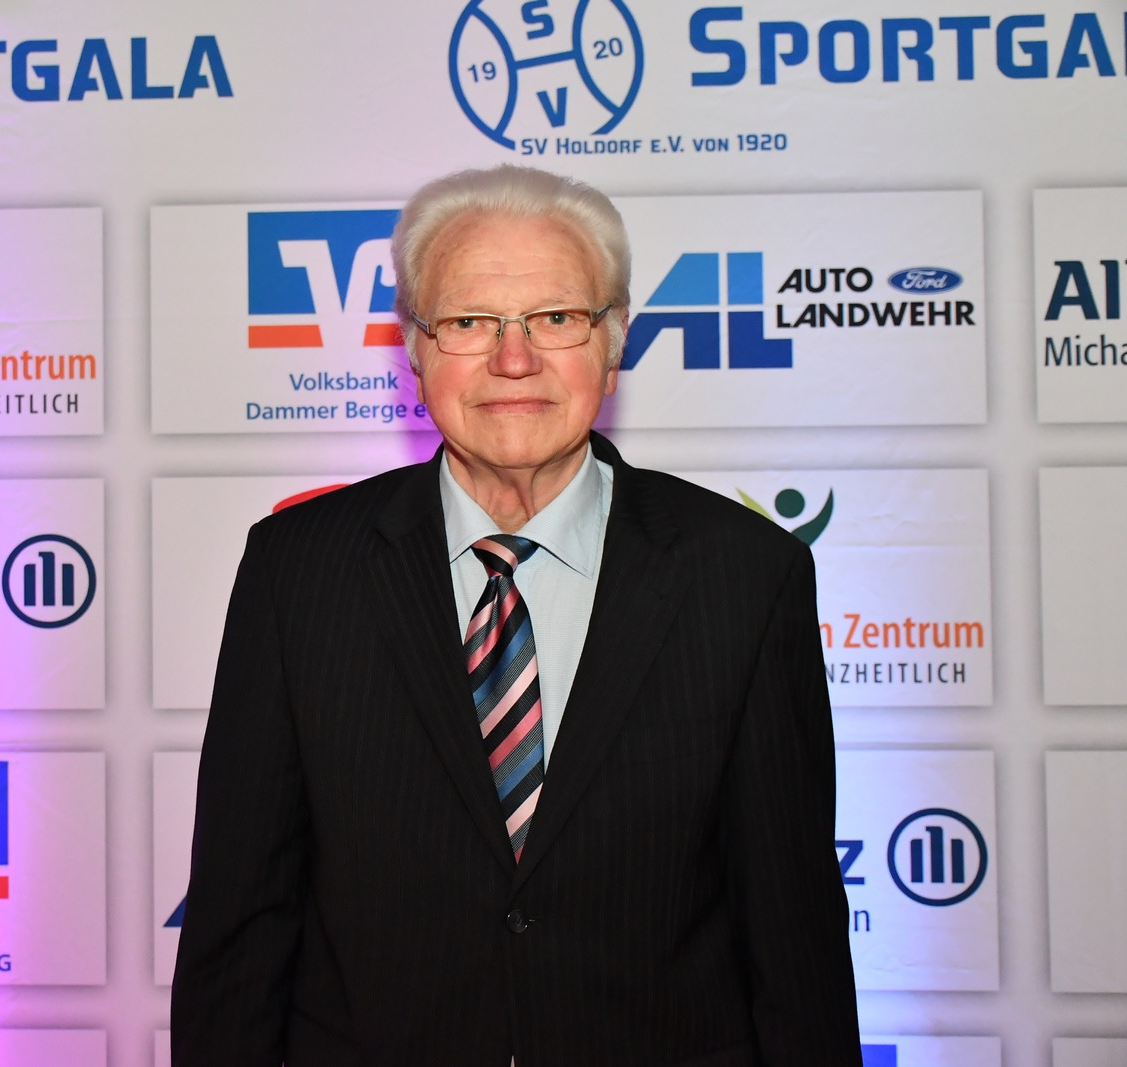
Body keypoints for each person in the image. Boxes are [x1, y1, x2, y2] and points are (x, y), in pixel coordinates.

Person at [171, 164, 861, 1066]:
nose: (513, 358)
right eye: (468, 322)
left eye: (556, 317)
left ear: (613, 343)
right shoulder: (296, 572)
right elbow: (240, 930)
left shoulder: (746, 576)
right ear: (414, 350)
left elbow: (795, 946)